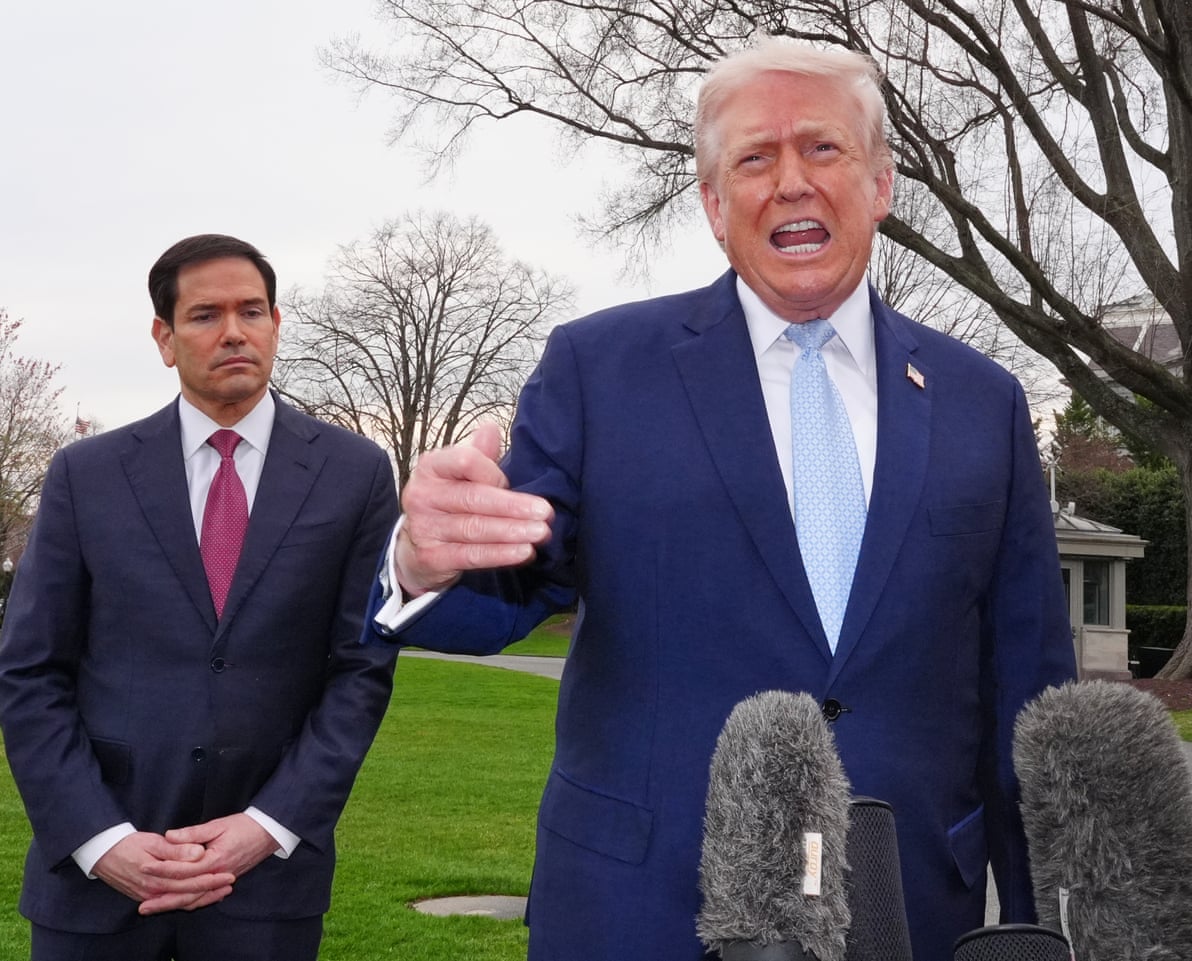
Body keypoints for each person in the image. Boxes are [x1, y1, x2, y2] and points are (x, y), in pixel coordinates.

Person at [369, 39, 1077, 961]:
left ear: (881, 184)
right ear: (712, 204)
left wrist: (1044, 925)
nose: (791, 181)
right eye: (754, 158)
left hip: (905, 908)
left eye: (822, 148)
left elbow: (1030, 690)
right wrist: (422, 561)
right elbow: (500, 591)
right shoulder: (598, 370)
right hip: (643, 911)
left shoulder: (984, 401)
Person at [0, 234, 399, 960]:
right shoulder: (85, 476)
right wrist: (99, 838)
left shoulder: (356, 474)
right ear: (164, 338)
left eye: (252, 310)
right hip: (96, 889)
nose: (234, 332)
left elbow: (361, 669)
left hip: (266, 888)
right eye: (206, 315)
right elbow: (29, 671)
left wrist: (268, 826)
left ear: (276, 323)